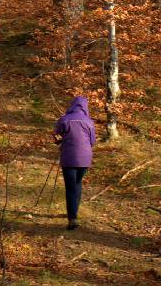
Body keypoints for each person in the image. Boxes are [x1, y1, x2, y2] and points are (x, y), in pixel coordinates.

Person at [53, 96, 96, 230]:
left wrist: (60, 142)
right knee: (77, 183)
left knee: (70, 187)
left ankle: (72, 218)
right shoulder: (89, 122)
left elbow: (55, 135)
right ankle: (74, 212)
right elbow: (92, 141)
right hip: (85, 158)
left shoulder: (64, 119)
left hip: (69, 157)